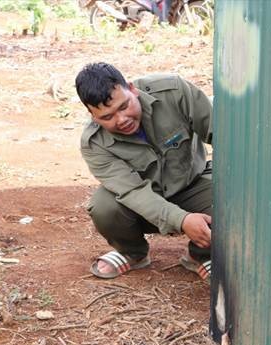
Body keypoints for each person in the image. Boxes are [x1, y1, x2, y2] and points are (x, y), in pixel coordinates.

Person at [74, 62, 213, 279]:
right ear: (93, 117)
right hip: (143, 205)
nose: (121, 120)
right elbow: (133, 192)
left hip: (193, 185)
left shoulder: (175, 92)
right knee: (104, 207)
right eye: (107, 117)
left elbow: (224, 135)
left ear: (132, 89)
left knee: (232, 198)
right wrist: (182, 220)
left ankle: (201, 255)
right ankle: (133, 253)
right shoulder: (94, 144)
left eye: (123, 106)